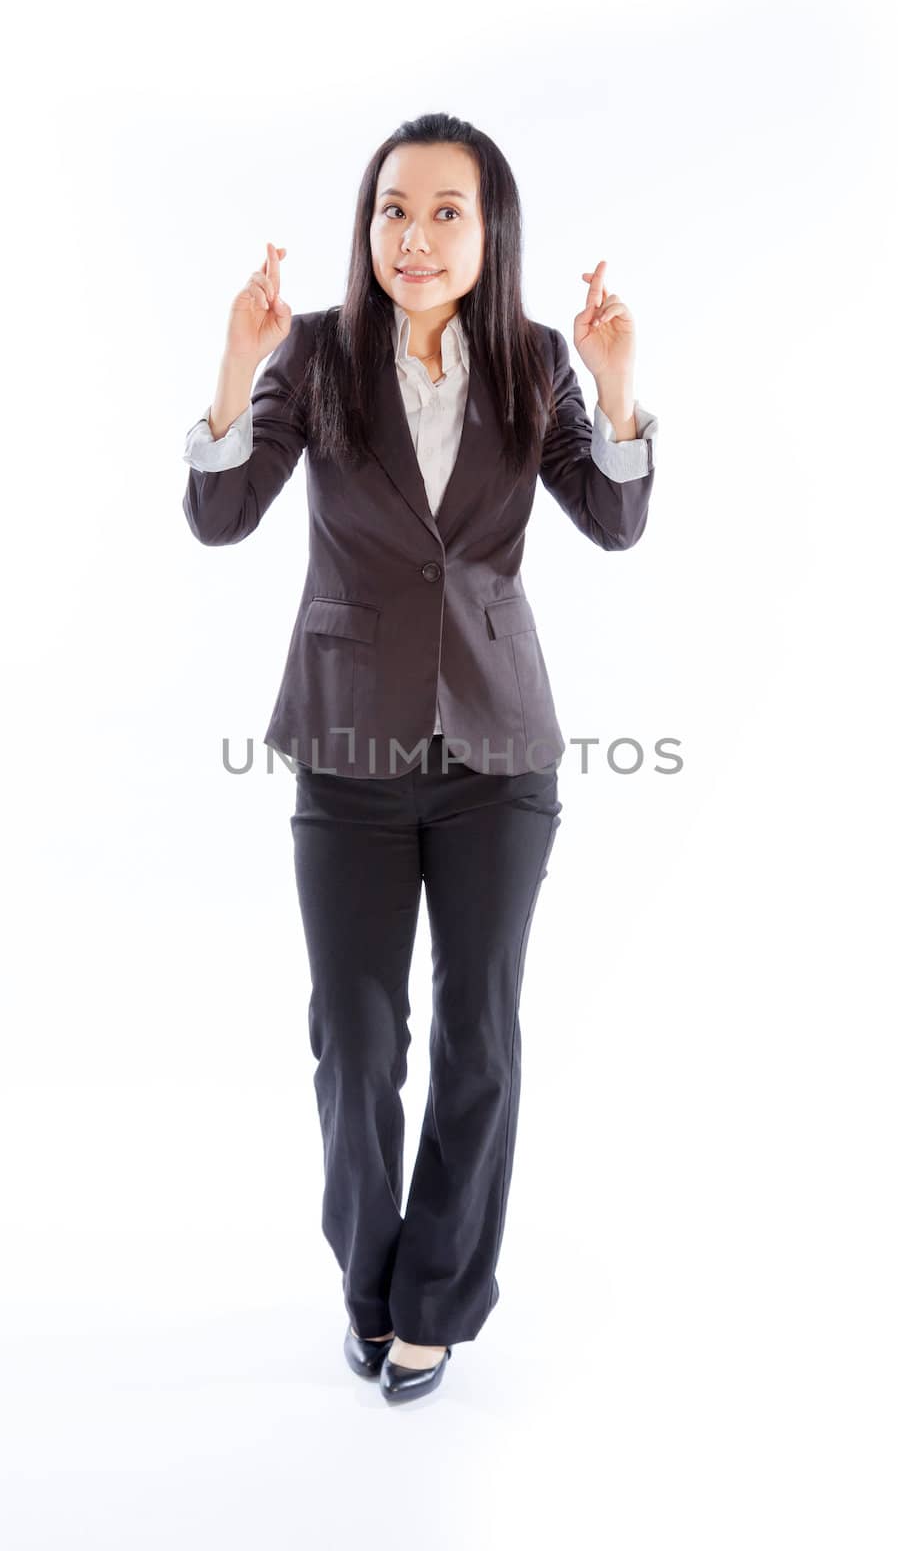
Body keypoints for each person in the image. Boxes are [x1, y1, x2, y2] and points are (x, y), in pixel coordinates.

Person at [182, 111, 658, 1405]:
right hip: (345, 743)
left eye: (448, 211)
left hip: (499, 753)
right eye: (396, 209)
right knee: (353, 1032)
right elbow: (221, 514)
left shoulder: (532, 359)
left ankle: (438, 1301)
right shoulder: (321, 354)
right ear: (367, 225)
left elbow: (611, 521)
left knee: (478, 1034)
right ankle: (369, 1280)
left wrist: (615, 392)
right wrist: (236, 367)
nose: (417, 235)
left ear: (489, 229)